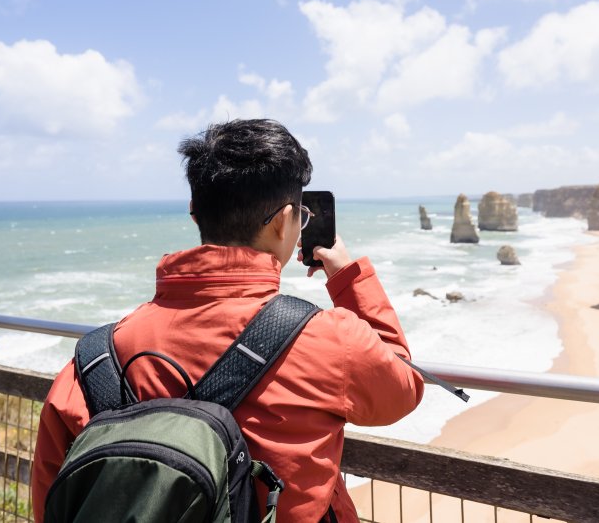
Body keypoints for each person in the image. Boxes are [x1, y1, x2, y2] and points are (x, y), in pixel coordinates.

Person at [31, 118, 424, 522]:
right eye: (300, 217)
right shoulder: (328, 340)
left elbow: (51, 503)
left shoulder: (95, 360)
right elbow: (403, 386)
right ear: (281, 220)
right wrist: (347, 278)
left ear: (193, 212)